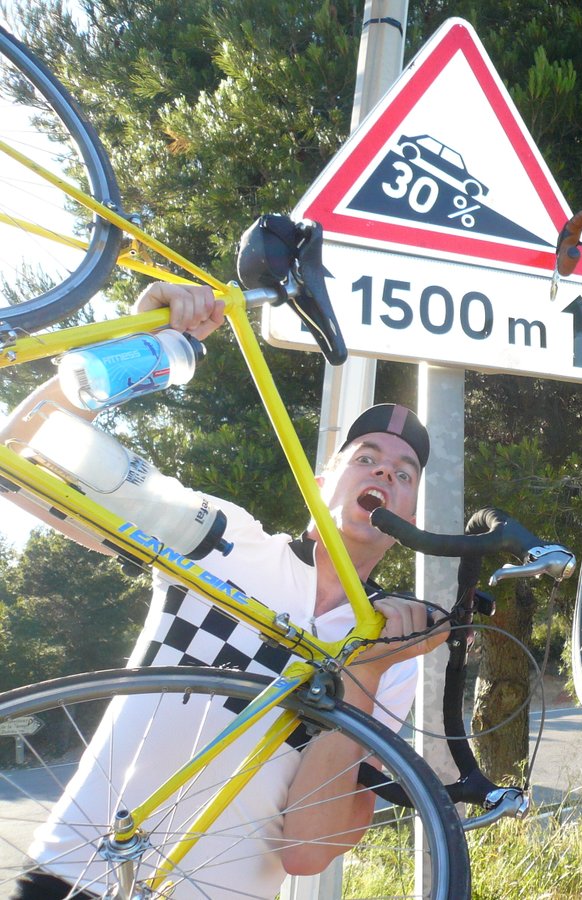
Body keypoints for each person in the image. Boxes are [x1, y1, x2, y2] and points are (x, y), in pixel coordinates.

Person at [1, 284, 447, 899]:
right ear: (320, 481)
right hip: (72, 878)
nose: (383, 473)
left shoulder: (393, 650)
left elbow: (309, 848)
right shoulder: (227, 539)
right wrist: (137, 352)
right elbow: (22, 452)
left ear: (413, 513)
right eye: (365, 458)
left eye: (404, 474)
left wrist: (366, 671)